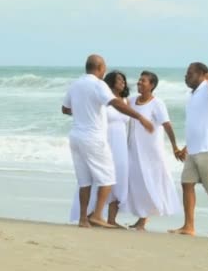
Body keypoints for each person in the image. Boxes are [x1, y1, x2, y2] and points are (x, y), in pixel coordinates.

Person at [62, 55, 154, 228]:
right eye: (104, 67)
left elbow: (65, 109)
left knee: (85, 181)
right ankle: (97, 215)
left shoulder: (75, 84)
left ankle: (83, 219)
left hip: (75, 137)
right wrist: (140, 117)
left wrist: (83, 112)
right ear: (100, 67)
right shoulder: (98, 84)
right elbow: (115, 103)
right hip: (93, 137)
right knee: (109, 178)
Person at [169, 62, 208, 237]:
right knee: (186, 183)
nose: (186, 76)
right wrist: (186, 147)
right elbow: (198, 124)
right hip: (195, 149)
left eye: (190, 73)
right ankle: (188, 226)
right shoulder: (193, 95)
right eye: (186, 73)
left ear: (202, 75)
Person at [69, 70, 130, 228]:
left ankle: (111, 219)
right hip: (103, 140)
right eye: (119, 80)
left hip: (121, 143)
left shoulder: (126, 100)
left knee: (119, 178)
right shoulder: (102, 97)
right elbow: (75, 109)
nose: (122, 83)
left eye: (124, 80)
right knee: (102, 178)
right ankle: (93, 215)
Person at [124, 70, 182, 231]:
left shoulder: (157, 103)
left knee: (152, 180)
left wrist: (174, 146)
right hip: (134, 149)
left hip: (151, 151)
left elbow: (167, 125)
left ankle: (144, 219)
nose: (139, 83)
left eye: (143, 81)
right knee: (138, 182)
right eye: (139, 80)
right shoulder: (132, 101)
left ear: (152, 85)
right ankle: (142, 217)